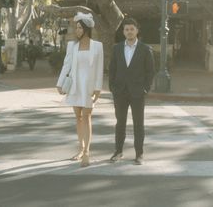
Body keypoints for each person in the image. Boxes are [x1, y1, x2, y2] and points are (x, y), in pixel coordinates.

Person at [56, 12, 103, 168]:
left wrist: (98, 88)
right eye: (76, 28)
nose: (77, 30)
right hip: (75, 86)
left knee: (87, 115)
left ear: (86, 29)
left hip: (89, 87)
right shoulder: (72, 46)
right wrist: (60, 82)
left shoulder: (97, 46)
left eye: (79, 28)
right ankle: (81, 148)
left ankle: (87, 152)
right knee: (78, 117)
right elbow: (66, 65)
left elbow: (99, 68)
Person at [109, 18, 155, 165]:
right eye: (126, 29)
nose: (129, 31)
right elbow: (112, 70)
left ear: (137, 30)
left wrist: (145, 89)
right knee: (120, 123)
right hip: (120, 91)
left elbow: (150, 72)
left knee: (138, 124)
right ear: (123, 32)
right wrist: (113, 87)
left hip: (137, 92)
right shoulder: (116, 48)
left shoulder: (145, 49)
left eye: (132, 29)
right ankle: (118, 152)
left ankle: (139, 154)